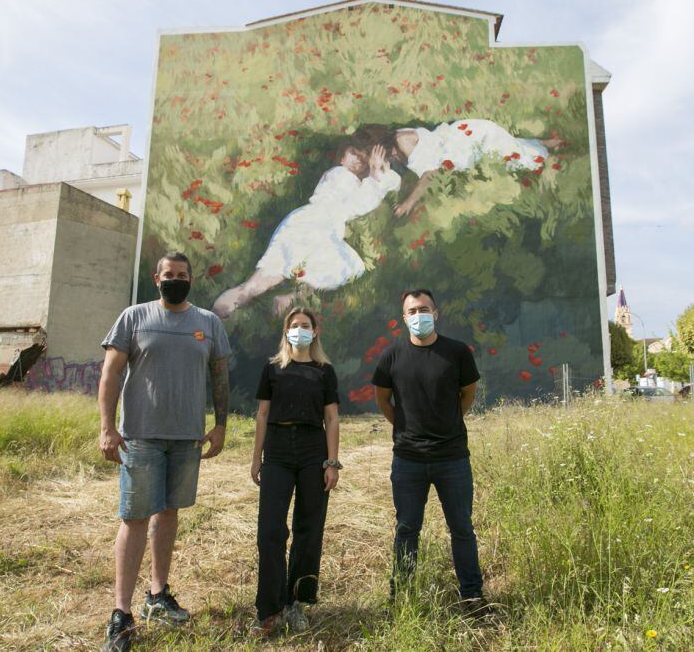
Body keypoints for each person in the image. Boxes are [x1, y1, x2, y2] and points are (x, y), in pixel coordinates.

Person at [98, 251, 232, 651]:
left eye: (182, 274)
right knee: (135, 517)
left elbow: (219, 376)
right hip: (140, 437)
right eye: (168, 274)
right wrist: (107, 428)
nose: (176, 279)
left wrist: (221, 424)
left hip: (186, 439)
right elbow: (110, 374)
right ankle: (121, 615)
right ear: (157, 279)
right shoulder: (134, 318)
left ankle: (157, 595)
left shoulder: (207, 323)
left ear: (191, 279)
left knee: (169, 514)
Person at [372, 289, 487, 613]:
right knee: (407, 529)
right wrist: (405, 427)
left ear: (436, 313)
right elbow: (383, 400)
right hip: (408, 460)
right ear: (403, 317)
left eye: (424, 309)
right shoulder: (391, 355)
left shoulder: (457, 352)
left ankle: (472, 596)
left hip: (452, 458)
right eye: (412, 310)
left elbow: (468, 394)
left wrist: (447, 422)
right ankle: (402, 598)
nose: (418, 315)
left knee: (462, 528)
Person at [212, 142, 400, 319]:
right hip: (315, 230)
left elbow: (389, 184)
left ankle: (226, 310)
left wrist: (377, 173)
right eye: (353, 153)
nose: (357, 159)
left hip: (301, 225)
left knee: (261, 281)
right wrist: (376, 175)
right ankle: (290, 298)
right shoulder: (341, 175)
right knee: (350, 266)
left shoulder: (344, 178)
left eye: (362, 158)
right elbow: (360, 204)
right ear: (342, 157)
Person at [250, 306, 341, 634]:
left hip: (312, 449)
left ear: (315, 332)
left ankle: (296, 602)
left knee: (309, 527)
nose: (299, 330)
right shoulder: (273, 368)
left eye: (305, 325)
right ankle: (269, 607)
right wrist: (256, 457)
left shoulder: (324, 371)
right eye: (294, 325)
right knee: (270, 530)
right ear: (286, 331)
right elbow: (262, 415)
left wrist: (331, 462)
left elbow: (331, 419)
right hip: (277, 449)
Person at [354, 120, 556, 218]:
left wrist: (408, 203)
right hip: (460, 139)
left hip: (468, 141)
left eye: (368, 153)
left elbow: (431, 173)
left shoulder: (402, 142)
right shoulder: (393, 149)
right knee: (515, 149)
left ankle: (557, 152)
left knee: (516, 162)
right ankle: (548, 143)